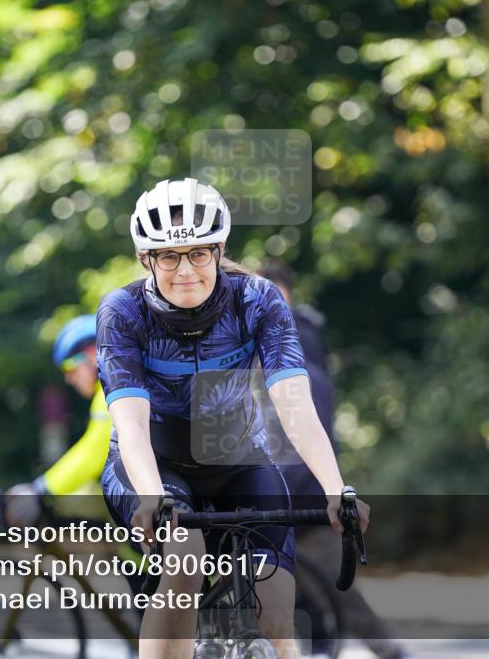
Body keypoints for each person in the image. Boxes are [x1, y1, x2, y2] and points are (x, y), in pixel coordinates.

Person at [98, 178, 370, 659]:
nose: (185, 270)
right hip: (155, 467)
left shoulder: (259, 299)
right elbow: (130, 423)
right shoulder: (123, 311)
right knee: (185, 557)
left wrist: (335, 489)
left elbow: (294, 402)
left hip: (238, 459)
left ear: (219, 251)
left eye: (199, 254)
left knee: (278, 615)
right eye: (168, 256)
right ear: (146, 259)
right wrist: (152, 497)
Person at [260, 261, 409, 659]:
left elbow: (309, 433)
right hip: (281, 502)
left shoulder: (299, 348)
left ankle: (391, 654)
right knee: (300, 597)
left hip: (306, 503)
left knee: (335, 593)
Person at [5, 315, 111, 524]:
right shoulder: (113, 388)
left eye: (71, 368)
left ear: (93, 356)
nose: (68, 378)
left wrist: (41, 489)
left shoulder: (111, 394)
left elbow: (94, 454)